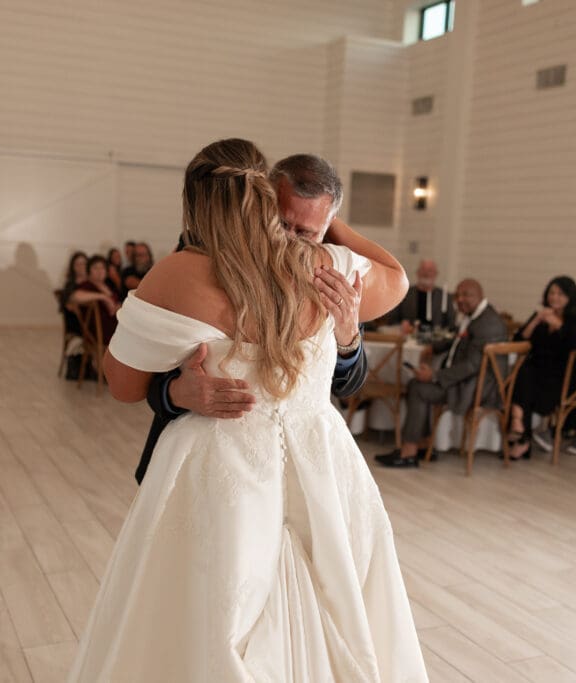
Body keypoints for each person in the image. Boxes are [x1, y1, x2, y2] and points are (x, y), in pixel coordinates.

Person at [68, 139, 426, 681]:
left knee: (206, 611)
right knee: (339, 601)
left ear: (193, 204)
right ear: (264, 194)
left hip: (221, 464)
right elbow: (394, 277)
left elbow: (120, 383)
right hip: (323, 466)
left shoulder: (175, 274)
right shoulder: (328, 266)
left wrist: (172, 392)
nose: (296, 233)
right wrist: (331, 227)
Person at [133, 153, 369, 484]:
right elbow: (148, 369)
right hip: (202, 464)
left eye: (305, 232)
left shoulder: (334, 268)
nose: (288, 239)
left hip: (297, 470)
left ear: (328, 227)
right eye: (281, 223)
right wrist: (174, 393)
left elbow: (348, 385)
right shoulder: (199, 251)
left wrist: (347, 338)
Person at [376, 278, 508, 468]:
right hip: (466, 381)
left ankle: (409, 451)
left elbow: (472, 365)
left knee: (418, 387)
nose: (460, 299)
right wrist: (434, 348)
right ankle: (422, 445)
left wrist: (435, 376)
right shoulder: (474, 316)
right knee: (418, 384)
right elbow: (455, 339)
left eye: (466, 295)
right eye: (458, 295)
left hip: (478, 388)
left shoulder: (488, 324)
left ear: (480, 295)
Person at [508, 276, 576, 459]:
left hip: (564, 376)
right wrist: (536, 321)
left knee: (524, 378)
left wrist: (556, 323)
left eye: (560, 294)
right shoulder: (541, 315)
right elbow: (519, 340)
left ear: (570, 297)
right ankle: (520, 427)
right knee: (523, 375)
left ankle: (520, 431)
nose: (555, 297)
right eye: (552, 293)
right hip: (537, 371)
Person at [382, 259, 454, 331]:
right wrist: (401, 324)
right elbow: (392, 319)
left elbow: (451, 323)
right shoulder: (405, 293)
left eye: (430, 270)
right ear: (417, 272)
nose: (426, 273)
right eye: (423, 270)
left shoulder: (445, 297)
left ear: (436, 274)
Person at [73, 255, 120, 343]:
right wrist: (103, 297)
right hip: (101, 331)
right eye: (95, 268)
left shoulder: (107, 286)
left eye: (102, 268)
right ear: (89, 271)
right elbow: (75, 296)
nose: (100, 271)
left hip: (115, 326)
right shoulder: (87, 285)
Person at [59, 251, 88, 379]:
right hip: (78, 325)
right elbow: (71, 308)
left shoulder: (90, 284)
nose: (81, 267)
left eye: (84, 264)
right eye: (78, 264)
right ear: (73, 267)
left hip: (88, 323)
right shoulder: (70, 285)